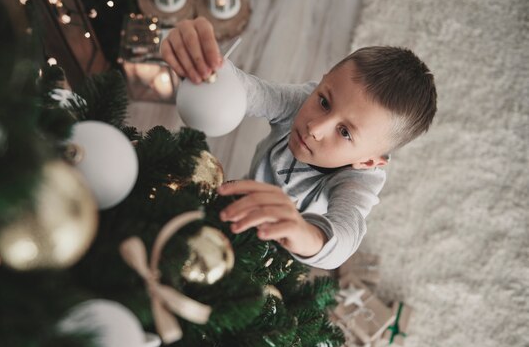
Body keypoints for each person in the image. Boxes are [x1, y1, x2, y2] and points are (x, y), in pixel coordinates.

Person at [161, 17, 437, 269]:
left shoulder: (359, 181)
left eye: (345, 133)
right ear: (323, 80)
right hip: (250, 188)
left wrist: (304, 234)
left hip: (294, 246)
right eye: (324, 101)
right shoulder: (302, 101)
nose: (315, 127)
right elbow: (253, 92)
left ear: (367, 161)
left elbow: (346, 233)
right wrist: (210, 71)